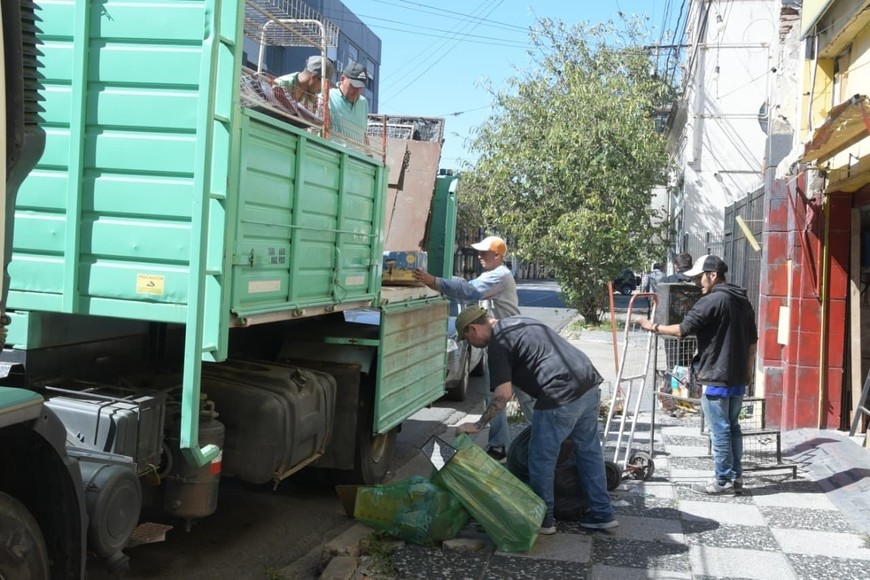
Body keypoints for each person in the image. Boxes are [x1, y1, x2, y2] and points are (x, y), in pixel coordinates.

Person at [454, 307, 618, 533]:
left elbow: (503, 394)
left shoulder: (497, 342)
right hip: (588, 384)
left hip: (559, 393)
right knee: (589, 452)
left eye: (467, 339)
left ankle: (543, 520)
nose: (471, 344)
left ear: (473, 328)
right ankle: (602, 513)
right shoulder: (521, 321)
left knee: (541, 459)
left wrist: (478, 424)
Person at [638, 255, 758, 495]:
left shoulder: (711, 301)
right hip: (736, 376)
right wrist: (748, 374)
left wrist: (652, 327)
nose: (697, 283)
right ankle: (736, 477)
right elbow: (752, 342)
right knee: (733, 426)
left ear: (712, 275)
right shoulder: (742, 300)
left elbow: (682, 330)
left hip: (715, 374)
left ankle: (721, 480)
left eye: (700, 278)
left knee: (720, 428)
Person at [414, 235, 534, 462]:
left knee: (523, 397)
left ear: (497, 256)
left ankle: (548, 444)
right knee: (493, 396)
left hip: (510, 343)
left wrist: (435, 281)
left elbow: (470, 291)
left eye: (484, 253)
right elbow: (468, 286)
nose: (479, 257)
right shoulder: (492, 274)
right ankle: (498, 447)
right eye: (478, 253)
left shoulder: (500, 275)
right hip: (501, 342)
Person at [328, 62, 370, 145]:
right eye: (354, 86)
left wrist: (369, 155)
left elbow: (364, 134)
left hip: (356, 157)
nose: (357, 91)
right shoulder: (327, 97)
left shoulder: (363, 103)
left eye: (360, 88)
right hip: (332, 156)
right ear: (342, 79)